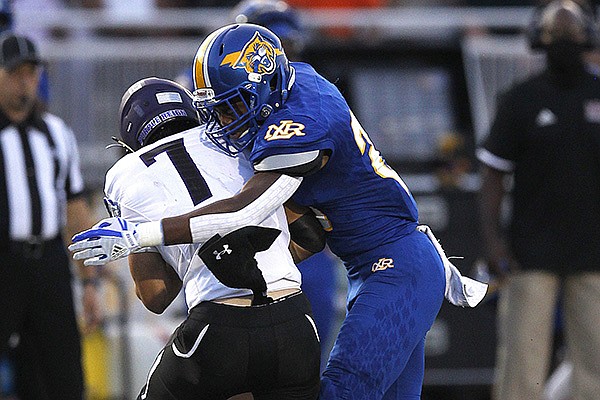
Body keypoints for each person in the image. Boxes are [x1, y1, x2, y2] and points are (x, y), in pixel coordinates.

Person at [70, 24, 486, 399]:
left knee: (342, 392)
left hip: (395, 267)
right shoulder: (297, 79)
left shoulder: (300, 124)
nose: (222, 119)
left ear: (264, 87)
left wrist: (140, 235)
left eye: (232, 106)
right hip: (380, 264)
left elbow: (245, 209)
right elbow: (299, 231)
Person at [105, 76, 323, 399]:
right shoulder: (240, 137)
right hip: (295, 322)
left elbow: (155, 296)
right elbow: (311, 236)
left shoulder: (126, 175)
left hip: (220, 332)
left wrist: (185, 256)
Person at [476, 1, 600, 399]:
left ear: (588, 38)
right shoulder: (520, 99)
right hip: (531, 251)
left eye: (571, 33)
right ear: (539, 42)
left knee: (596, 364)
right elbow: (493, 173)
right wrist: (494, 242)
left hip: (595, 251)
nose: (564, 41)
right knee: (521, 367)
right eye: (555, 35)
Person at [0, 32, 101, 399]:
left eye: (31, 72)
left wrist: (90, 283)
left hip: (48, 264)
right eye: (15, 73)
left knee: (62, 375)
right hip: (3, 263)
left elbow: (75, 209)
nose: (25, 81)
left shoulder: (57, 133)